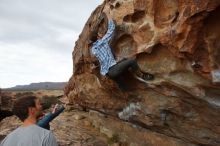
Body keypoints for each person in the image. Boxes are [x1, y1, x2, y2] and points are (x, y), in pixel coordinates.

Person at [89, 5, 154, 90]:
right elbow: (111, 29)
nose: (101, 34)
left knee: (124, 86)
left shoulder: (94, 48)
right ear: (97, 38)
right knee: (132, 60)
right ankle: (142, 76)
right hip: (112, 70)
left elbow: (101, 58)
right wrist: (108, 13)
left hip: (109, 72)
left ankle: (127, 95)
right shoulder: (101, 43)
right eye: (99, 34)